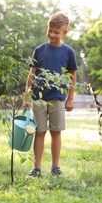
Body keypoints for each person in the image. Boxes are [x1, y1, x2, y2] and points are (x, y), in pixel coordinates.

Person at [23, 12, 77, 177]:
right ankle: (36, 167)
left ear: (64, 33)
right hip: (39, 98)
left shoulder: (68, 52)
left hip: (58, 99)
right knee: (39, 132)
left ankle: (55, 167)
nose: (52, 34)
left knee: (56, 132)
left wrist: (70, 99)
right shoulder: (39, 50)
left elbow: (72, 77)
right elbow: (31, 74)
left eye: (56, 32)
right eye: (50, 30)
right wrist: (27, 96)